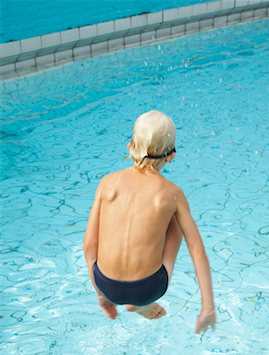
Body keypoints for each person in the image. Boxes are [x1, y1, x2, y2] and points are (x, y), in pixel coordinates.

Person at [83, 110, 216, 334]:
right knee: (176, 220)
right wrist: (208, 308)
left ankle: (117, 298)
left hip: (105, 284)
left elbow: (89, 245)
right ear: (171, 155)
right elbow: (197, 251)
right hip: (148, 289)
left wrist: (102, 294)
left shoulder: (107, 183)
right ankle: (141, 304)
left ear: (130, 146)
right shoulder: (172, 193)